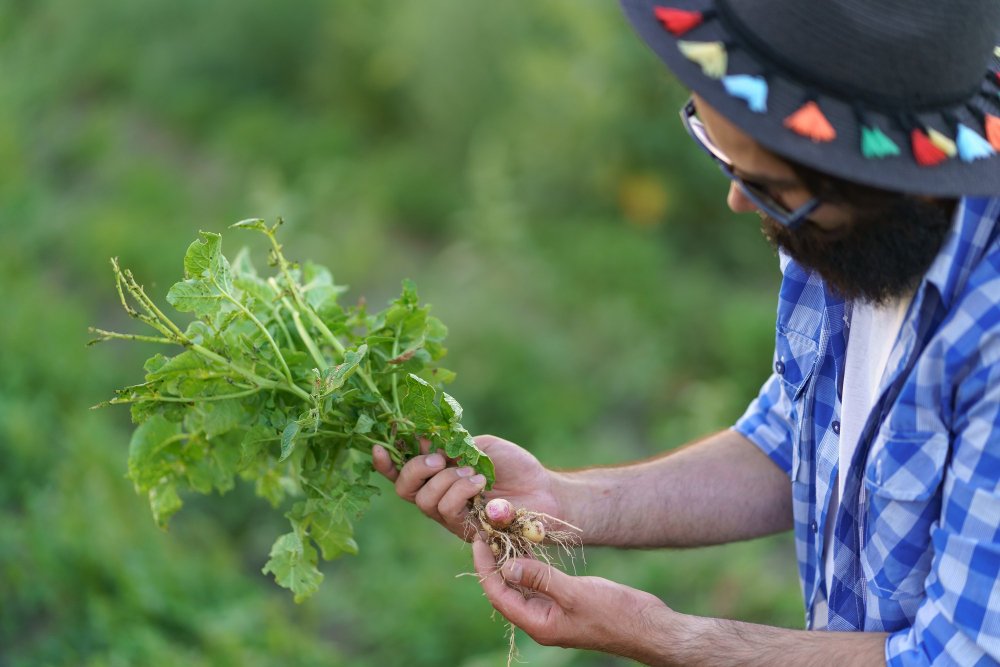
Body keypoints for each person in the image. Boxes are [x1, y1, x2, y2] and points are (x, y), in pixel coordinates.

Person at [373, 0, 1000, 663]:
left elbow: (959, 654)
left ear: (905, 184)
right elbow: (792, 441)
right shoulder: (843, 225)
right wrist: (563, 499)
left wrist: (668, 636)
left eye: (765, 187)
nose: (738, 201)